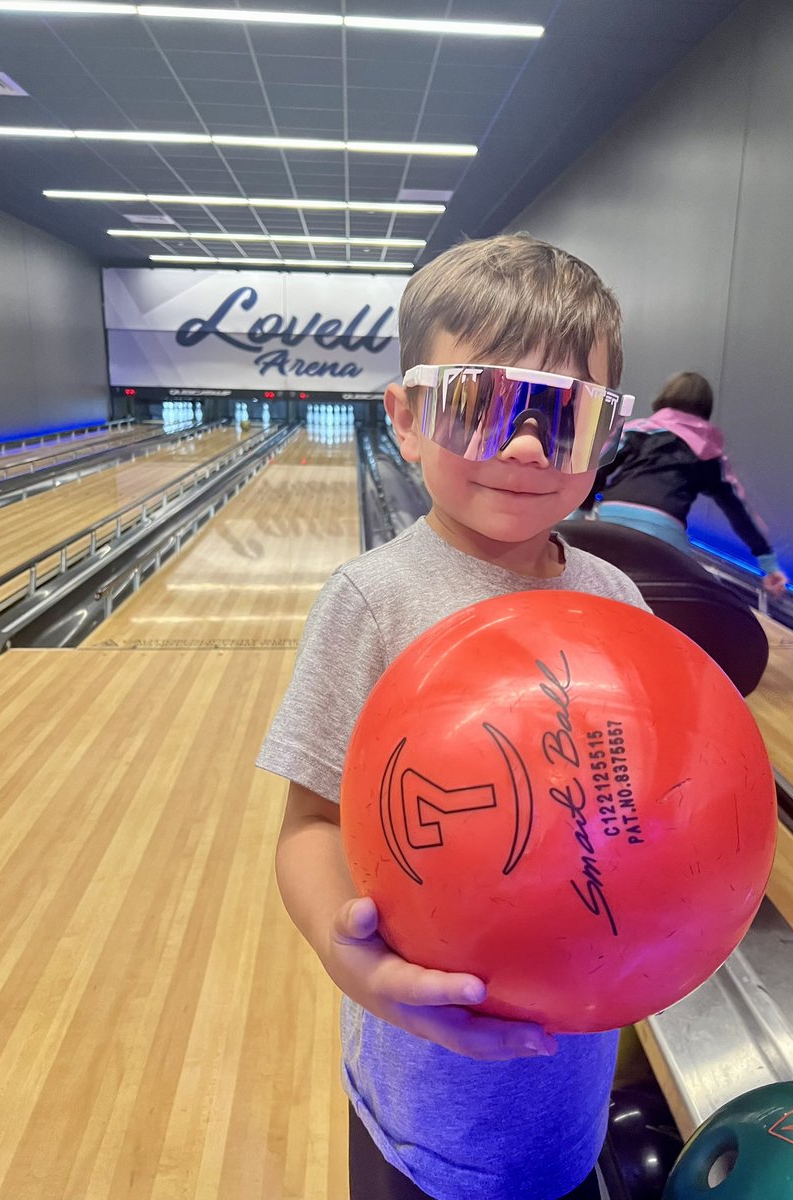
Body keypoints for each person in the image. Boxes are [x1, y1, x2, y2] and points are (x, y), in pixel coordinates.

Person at [257, 233, 650, 1200]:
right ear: (405, 417)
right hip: (420, 1099)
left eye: (561, 418)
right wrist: (360, 974)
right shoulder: (375, 601)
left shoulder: (619, 604)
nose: (521, 446)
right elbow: (309, 827)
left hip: (571, 1086)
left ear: (605, 436)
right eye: (483, 404)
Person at [584, 371, 787, 595]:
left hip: (612, 515)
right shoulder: (708, 452)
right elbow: (737, 509)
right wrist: (769, 563)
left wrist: (576, 517)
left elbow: (597, 468)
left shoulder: (637, 430)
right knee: (685, 591)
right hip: (664, 529)